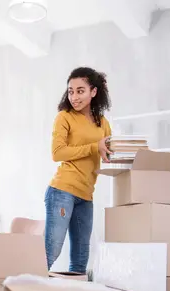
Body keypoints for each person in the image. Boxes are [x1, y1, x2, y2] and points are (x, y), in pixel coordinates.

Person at [45, 66, 112, 274]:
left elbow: (108, 152)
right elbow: (57, 153)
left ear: (93, 92)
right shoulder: (64, 117)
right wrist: (94, 147)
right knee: (51, 251)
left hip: (86, 196)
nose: (74, 96)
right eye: (71, 91)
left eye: (80, 91)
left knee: (81, 259)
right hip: (62, 191)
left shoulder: (103, 123)